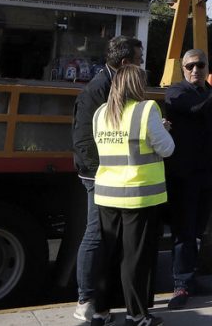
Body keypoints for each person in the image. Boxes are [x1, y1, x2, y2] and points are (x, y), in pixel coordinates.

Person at [91, 64, 174, 326]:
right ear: (138, 85)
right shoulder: (147, 109)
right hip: (139, 195)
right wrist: (164, 129)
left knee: (108, 255)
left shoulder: (101, 113)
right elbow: (167, 149)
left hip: (106, 194)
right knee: (134, 259)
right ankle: (136, 315)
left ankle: (100, 312)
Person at [163, 49, 212, 310]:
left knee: (197, 232)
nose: (195, 70)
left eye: (200, 65)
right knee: (184, 232)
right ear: (182, 69)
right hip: (184, 176)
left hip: (208, 175)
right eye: (190, 66)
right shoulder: (177, 93)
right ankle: (181, 284)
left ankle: (191, 279)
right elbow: (198, 108)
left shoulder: (209, 94)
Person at [71, 35, 144, 323]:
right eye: (139, 60)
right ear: (125, 63)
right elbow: (84, 140)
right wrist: (102, 173)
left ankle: (99, 301)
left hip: (109, 174)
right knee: (95, 235)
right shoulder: (99, 89)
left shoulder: (112, 84)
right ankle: (86, 300)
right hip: (99, 176)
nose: (141, 65)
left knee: (107, 238)